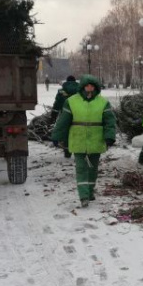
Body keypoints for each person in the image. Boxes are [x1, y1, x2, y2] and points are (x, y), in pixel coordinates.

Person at [51, 75, 116, 207]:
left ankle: (90, 192)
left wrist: (109, 136)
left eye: (92, 86)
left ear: (96, 87)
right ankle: (83, 196)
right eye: (87, 85)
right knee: (81, 169)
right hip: (78, 139)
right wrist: (57, 136)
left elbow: (110, 121)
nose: (89, 88)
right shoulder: (71, 101)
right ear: (82, 86)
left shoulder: (103, 102)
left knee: (92, 169)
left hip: (96, 139)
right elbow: (64, 121)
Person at [50, 75, 80, 157]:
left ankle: (67, 151)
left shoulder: (61, 91)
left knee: (66, 131)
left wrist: (53, 115)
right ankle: (79, 149)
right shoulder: (80, 90)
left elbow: (57, 104)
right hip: (79, 114)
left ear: (66, 81)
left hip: (65, 114)